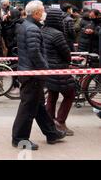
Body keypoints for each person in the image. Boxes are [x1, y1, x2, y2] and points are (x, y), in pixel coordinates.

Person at [12, 0, 66, 151]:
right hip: (33, 74)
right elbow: (35, 52)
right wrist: (44, 68)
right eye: (42, 11)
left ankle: (51, 133)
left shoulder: (25, 26)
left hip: (29, 72)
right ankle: (20, 138)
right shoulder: (33, 29)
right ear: (36, 13)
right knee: (28, 107)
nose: (43, 14)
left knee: (37, 105)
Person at [42, 8, 76, 136]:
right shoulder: (57, 34)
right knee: (70, 94)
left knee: (52, 95)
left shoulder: (43, 31)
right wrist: (68, 60)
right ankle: (60, 122)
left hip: (47, 69)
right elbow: (66, 54)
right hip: (59, 70)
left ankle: (49, 122)